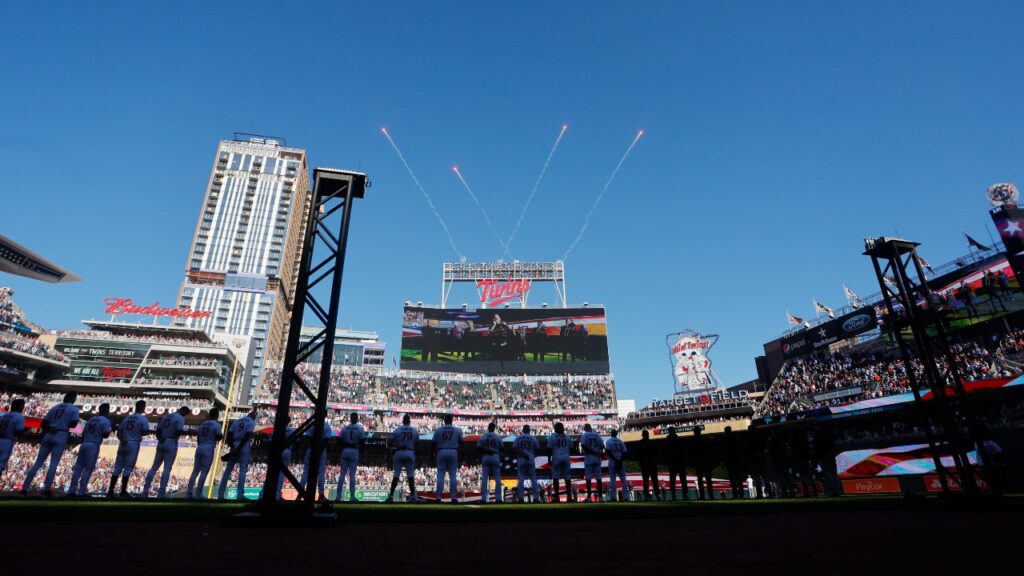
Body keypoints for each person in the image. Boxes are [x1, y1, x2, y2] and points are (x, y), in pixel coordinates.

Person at [22, 392, 80, 497]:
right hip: (61, 434)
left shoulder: (55, 407)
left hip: (48, 434)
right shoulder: (73, 409)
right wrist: (63, 424)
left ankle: (24, 488)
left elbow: (43, 423)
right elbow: (74, 423)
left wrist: (51, 428)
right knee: (53, 464)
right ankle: (46, 489)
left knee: (38, 462)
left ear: (64, 398)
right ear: (73, 399)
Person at [143, 406, 189, 499]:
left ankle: (144, 491)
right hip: (171, 442)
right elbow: (179, 431)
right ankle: (161, 492)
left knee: (154, 467)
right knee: (167, 468)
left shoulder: (167, 416)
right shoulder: (180, 418)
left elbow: (158, 430)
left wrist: (161, 439)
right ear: (184, 412)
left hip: (161, 441)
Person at [108, 400, 150, 498]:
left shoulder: (127, 418)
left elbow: (119, 432)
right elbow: (144, 432)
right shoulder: (142, 419)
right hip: (133, 443)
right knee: (127, 469)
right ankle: (123, 491)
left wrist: (122, 440)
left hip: (123, 442)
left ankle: (110, 491)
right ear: (143, 408)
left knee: (117, 468)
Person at [69, 403, 112, 497]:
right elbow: (105, 434)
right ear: (105, 410)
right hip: (93, 444)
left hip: (84, 443)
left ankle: (71, 491)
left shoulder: (91, 419)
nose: (109, 411)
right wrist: (110, 430)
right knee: (88, 469)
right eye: (108, 409)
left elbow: (83, 434)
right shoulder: (106, 420)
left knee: (78, 468)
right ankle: (81, 492)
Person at [218, 409, 257, 500]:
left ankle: (220, 494)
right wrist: (239, 447)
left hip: (234, 444)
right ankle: (239, 495)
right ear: (253, 417)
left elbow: (229, 435)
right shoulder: (251, 422)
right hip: (244, 445)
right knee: (242, 470)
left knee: (228, 470)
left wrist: (233, 447)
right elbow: (247, 435)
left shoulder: (236, 421)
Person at [187, 408, 222, 499]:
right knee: (204, 472)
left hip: (200, 447)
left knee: (195, 471)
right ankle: (198, 493)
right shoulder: (216, 424)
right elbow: (219, 437)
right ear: (216, 415)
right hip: (208, 447)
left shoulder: (202, 424)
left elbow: (198, 438)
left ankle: (189, 493)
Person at [385, 414, 419, 503]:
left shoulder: (398, 430)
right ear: (409, 421)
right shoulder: (414, 430)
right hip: (410, 451)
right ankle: (413, 497)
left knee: (396, 475)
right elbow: (417, 443)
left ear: (403, 421)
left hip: (399, 451)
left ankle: (391, 496)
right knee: (410, 476)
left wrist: (396, 445)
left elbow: (389, 441)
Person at [300, 418, 333, 500]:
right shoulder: (326, 426)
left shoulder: (312, 424)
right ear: (325, 415)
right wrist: (319, 449)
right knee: (321, 472)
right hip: (321, 450)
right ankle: (321, 495)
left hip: (311, 449)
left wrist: (313, 447)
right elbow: (326, 440)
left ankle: (300, 493)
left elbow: (307, 438)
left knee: (306, 471)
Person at [433, 414, 463, 503]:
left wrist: (432, 454)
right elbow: (461, 442)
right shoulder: (457, 430)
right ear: (452, 420)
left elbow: (433, 443)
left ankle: (438, 497)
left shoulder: (439, 430)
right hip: (453, 451)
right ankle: (453, 498)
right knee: (453, 475)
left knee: (440, 475)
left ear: (444, 420)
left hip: (441, 451)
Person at [337, 412, 366, 502]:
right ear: (356, 419)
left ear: (350, 418)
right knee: (352, 474)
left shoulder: (345, 428)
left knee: (342, 474)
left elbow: (339, 441)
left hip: (345, 450)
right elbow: (363, 442)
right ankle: (352, 496)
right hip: (354, 450)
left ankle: (338, 497)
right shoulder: (359, 429)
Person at [0, 399, 27, 479]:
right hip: (8, 441)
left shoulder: (4, 415)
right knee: (1, 464)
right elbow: (19, 430)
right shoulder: (19, 417)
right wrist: (26, 432)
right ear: (20, 407)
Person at [514, 424, 541, 503]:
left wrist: (522, 454)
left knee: (521, 479)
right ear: (529, 430)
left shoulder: (518, 437)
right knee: (533, 478)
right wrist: (530, 454)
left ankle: (521, 498)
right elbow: (538, 448)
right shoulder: (532, 438)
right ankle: (536, 498)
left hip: (521, 458)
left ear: (523, 430)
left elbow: (515, 448)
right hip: (530, 458)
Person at [477, 421, 503, 503]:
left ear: (488, 428)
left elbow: (478, 448)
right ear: (494, 428)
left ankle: (483, 498)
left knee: (484, 478)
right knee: (497, 478)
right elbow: (502, 448)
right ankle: (498, 498)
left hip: (486, 456)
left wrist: (486, 451)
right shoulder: (497, 437)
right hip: (495, 456)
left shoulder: (484, 436)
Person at [548, 422, 573, 502]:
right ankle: (569, 496)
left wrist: (549, 459)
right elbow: (572, 448)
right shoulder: (567, 437)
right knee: (567, 477)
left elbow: (549, 448)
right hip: (565, 456)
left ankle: (557, 496)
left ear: (556, 429)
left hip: (556, 457)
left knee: (555, 477)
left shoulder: (552, 437)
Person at [580, 423, 604, 502]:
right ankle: (600, 497)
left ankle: (589, 497)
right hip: (597, 457)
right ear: (590, 428)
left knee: (588, 478)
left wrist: (591, 451)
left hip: (589, 456)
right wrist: (596, 450)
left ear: (585, 428)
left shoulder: (584, 435)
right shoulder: (597, 435)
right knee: (599, 478)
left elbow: (583, 445)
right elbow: (602, 446)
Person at [637, 429, 661, 501]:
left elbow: (639, 455)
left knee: (646, 481)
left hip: (645, 465)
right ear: (648, 435)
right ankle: (657, 496)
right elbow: (656, 454)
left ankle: (646, 496)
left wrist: (641, 462)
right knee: (654, 481)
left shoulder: (640, 443)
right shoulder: (652, 443)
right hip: (652, 464)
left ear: (643, 435)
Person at [665, 426, 688, 501]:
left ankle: (675, 495)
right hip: (678, 461)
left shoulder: (668, 440)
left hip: (675, 462)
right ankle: (683, 494)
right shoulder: (677, 439)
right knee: (681, 479)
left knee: (674, 480)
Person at [605, 429, 628, 502]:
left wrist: (615, 459)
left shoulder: (608, 441)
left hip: (613, 461)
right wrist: (620, 460)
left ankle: (613, 497)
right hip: (620, 460)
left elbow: (607, 451)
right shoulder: (620, 441)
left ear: (611, 434)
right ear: (616, 434)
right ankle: (625, 497)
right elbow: (625, 452)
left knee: (613, 480)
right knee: (623, 480)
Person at [275, 422, 296, 500]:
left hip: (277, 450)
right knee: (281, 474)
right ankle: (277, 495)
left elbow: (270, 442)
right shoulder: (291, 430)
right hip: (287, 449)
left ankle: (265, 494)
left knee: (273, 472)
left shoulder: (277, 429)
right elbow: (296, 441)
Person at [692, 427, 714, 500]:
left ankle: (703, 495)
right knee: (707, 479)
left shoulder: (694, 441)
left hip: (699, 462)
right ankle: (710, 495)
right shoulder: (704, 440)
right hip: (705, 461)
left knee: (701, 480)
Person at [722, 426, 744, 498]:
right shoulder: (734, 439)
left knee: (733, 479)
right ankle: (741, 494)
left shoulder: (726, 440)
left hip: (731, 461)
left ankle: (736, 494)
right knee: (738, 479)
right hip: (735, 461)